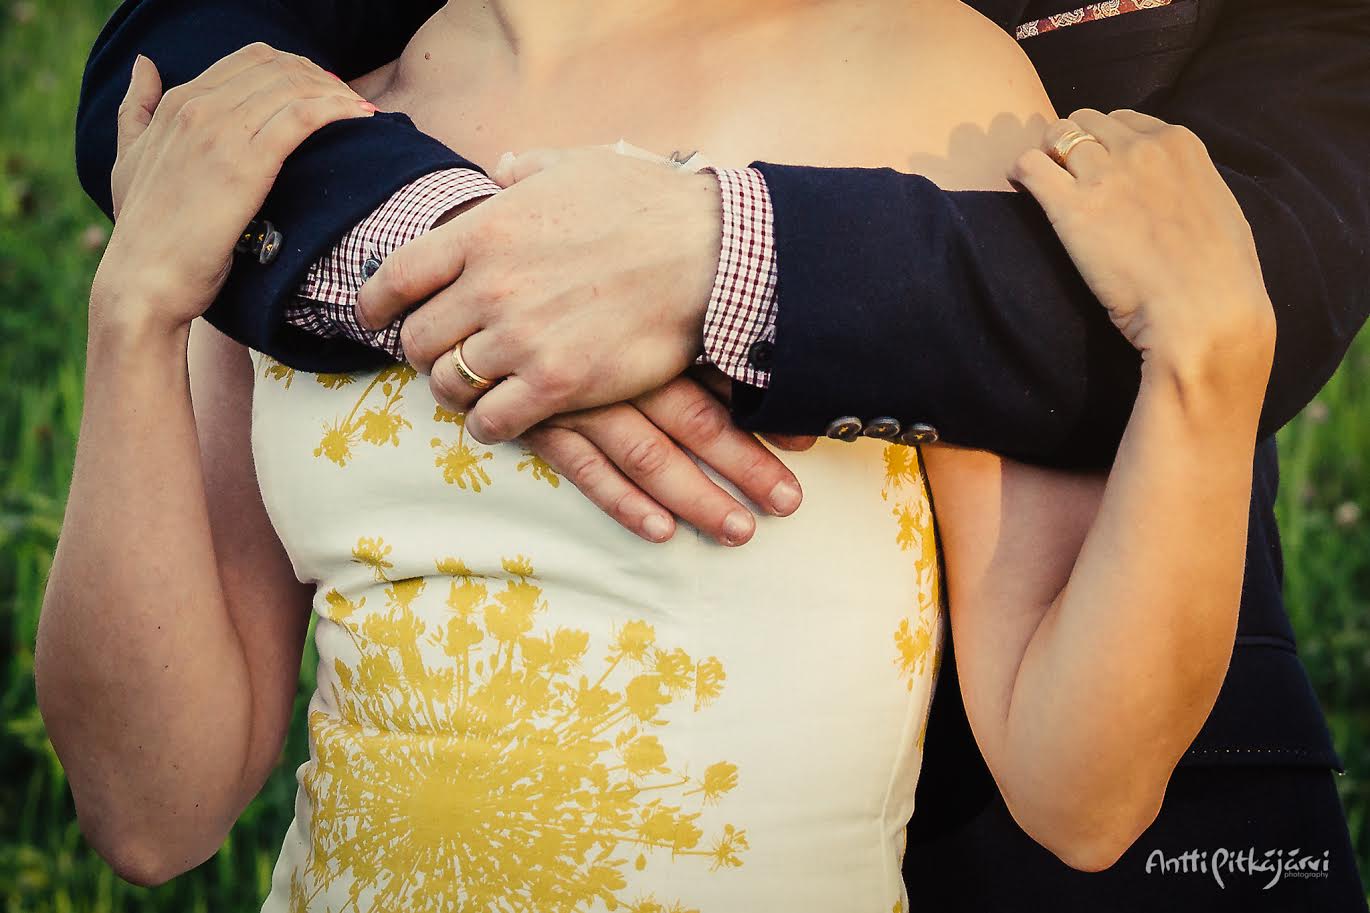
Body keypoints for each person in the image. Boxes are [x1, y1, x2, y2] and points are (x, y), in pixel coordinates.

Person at [69, 0, 1370, 910]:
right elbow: (152, 811)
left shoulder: (928, 86)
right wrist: (132, 317)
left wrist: (1207, 368)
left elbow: (1080, 789)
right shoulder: (304, 133)